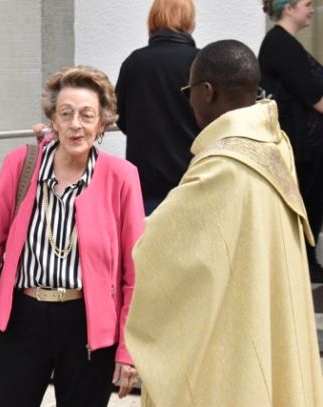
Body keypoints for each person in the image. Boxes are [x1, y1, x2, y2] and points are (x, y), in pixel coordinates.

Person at [125, 40, 323, 406]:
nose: (190, 102)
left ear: (207, 91)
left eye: (188, 92)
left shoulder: (222, 167)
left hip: (238, 337)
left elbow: (154, 251)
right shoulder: (276, 147)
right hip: (263, 316)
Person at [0, 66, 144, 406]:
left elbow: (136, 276)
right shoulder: (20, 164)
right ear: (53, 120)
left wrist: (127, 350)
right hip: (21, 317)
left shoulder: (121, 176)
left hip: (88, 325)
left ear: (102, 123)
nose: (76, 125)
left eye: (87, 115)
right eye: (66, 113)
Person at [259, 0, 323, 283]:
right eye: (307, 4)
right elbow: (312, 95)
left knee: (309, 202)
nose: (311, 10)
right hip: (300, 144)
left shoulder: (283, 43)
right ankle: (305, 265)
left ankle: (306, 263)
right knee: (306, 203)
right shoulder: (281, 45)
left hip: (303, 142)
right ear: (289, 8)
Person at [115, 0, 199, 215]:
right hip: (193, 182)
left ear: (153, 19)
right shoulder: (199, 63)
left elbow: (121, 119)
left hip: (145, 188)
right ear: (189, 21)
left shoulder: (134, 63)